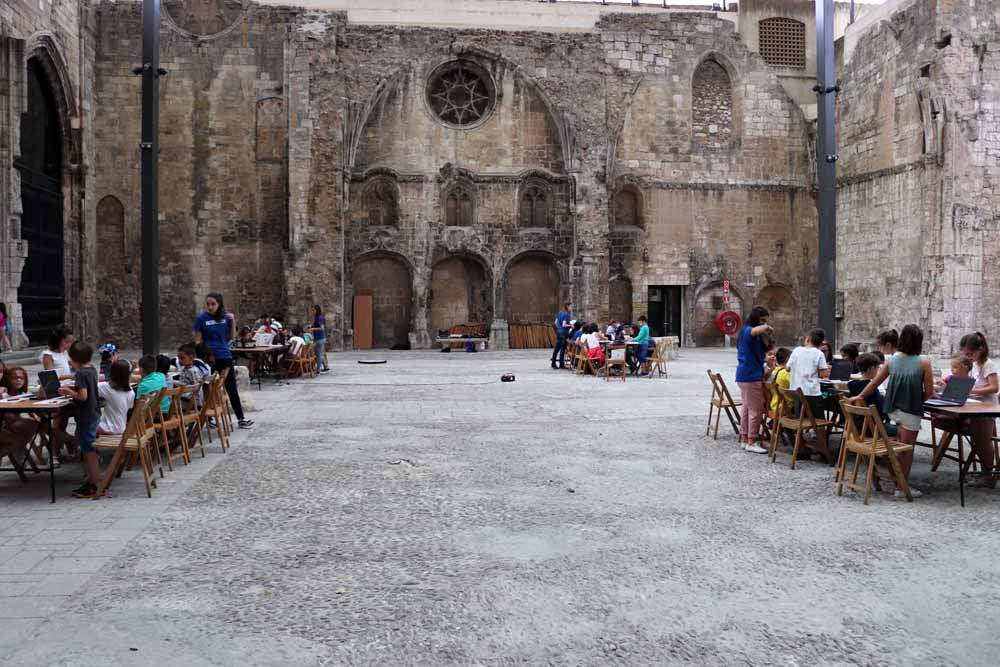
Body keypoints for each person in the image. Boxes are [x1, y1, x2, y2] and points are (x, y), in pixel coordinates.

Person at [853, 325, 932, 496]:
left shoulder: (892, 360)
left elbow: (874, 383)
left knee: (900, 444)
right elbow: (930, 392)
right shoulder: (924, 362)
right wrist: (918, 400)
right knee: (907, 449)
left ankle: (897, 479)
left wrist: (858, 396)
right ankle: (901, 488)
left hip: (893, 409)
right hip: (910, 410)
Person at [193, 292, 253, 428]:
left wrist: (233, 321)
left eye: (213, 304)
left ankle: (241, 418)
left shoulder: (226, 317)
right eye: (208, 304)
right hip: (209, 358)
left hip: (224, 355)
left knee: (231, 388)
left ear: (219, 304)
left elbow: (232, 336)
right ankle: (208, 419)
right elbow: (197, 340)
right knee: (207, 388)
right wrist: (201, 357)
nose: (210, 307)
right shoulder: (201, 318)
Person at [58, 342, 102, 499]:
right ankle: (92, 480)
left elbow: (83, 396)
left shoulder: (81, 374)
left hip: (86, 416)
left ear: (73, 359)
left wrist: (69, 391)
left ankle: (96, 484)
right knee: (88, 448)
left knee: (88, 450)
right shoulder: (91, 370)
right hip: (94, 413)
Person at [958, 332, 999, 487]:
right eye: (966, 354)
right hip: (974, 407)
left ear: (980, 349)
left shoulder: (988, 365)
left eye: (970, 353)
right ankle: (984, 472)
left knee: (983, 441)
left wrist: (972, 391)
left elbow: (994, 387)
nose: (968, 357)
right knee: (977, 440)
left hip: (987, 409)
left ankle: (988, 474)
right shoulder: (974, 364)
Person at [735, 306, 773, 453]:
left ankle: (745, 438)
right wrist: (767, 327)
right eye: (762, 320)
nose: (764, 323)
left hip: (744, 375)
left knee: (746, 408)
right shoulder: (748, 330)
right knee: (756, 410)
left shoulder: (750, 334)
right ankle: (752, 440)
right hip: (751, 376)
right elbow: (754, 331)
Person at [0, 366, 45, 464]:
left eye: (21, 378)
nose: (18, 380)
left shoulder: (18, 392)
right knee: (23, 436)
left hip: (10, 427)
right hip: (5, 428)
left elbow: (34, 406)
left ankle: (20, 462)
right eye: (14, 378)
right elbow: (9, 418)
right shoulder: (3, 392)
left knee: (37, 424)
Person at [847, 353, 896, 437]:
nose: (879, 371)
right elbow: (881, 410)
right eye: (878, 368)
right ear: (872, 368)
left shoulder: (852, 385)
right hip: (870, 428)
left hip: (855, 427)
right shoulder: (871, 389)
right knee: (901, 430)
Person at [787, 328, 830, 421]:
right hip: (812, 392)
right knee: (819, 419)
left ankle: (801, 434)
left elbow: (787, 368)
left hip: (796, 390)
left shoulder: (796, 350)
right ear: (821, 343)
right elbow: (824, 374)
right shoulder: (819, 354)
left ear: (807, 339)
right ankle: (819, 434)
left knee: (801, 418)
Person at [97, 360, 135, 436]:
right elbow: (130, 406)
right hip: (122, 427)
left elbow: (90, 388)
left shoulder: (106, 387)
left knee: (87, 426)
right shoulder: (131, 392)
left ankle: (76, 443)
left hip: (108, 428)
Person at [769, 347, 793, 413]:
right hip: (784, 407)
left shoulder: (775, 370)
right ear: (788, 359)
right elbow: (798, 385)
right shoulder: (786, 373)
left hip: (774, 405)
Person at [550, 301, 572, 370]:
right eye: (570, 306)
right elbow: (564, 324)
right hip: (564, 333)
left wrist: (558, 330)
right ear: (567, 306)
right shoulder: (566, 314)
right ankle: (561, 364)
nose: (571, 308)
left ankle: (553, 363)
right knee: (562, 349)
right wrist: (571, 325)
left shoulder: (560, 313)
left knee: (557, 348)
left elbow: (555, 323)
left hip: (559, 333)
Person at [309, 305, 330, 373]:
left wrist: (312, 329)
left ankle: (318, 370)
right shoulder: (316, 317)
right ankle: (326, 366)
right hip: (318, 338)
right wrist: (311, 326)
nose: (312, 311)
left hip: (320, 338)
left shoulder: (320, 317)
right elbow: (317, 326)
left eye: (313, 310)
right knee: (319, 353)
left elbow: (322, 328)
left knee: (319, 355)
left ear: (317, 310)